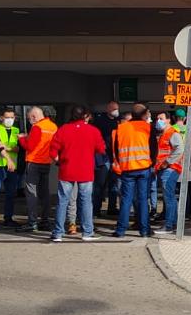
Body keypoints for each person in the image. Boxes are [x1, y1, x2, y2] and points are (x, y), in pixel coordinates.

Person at [50, 104, 105, 243]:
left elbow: (53, 150)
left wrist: (59, 160)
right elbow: (101, 149)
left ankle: (58, 233)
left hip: (67, 170)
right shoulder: (93, 131)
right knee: (86, 201)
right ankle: (87, 232)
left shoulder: (63, 129)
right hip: (86, 171)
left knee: (62, 201)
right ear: (84, 116)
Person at [112, 103, 153, 238]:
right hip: (144, 167)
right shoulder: (148, 128)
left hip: (127, 168)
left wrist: (122, 163)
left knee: (126, 199)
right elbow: (154, 149)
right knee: (142, 199)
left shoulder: (121, 128)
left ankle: (121, 231)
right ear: (144, 114)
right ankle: (145, 230)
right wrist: (150, 163)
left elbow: (116, 149)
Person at [18, 106, 58, 232]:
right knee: (44, 193)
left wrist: (21, 138)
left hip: (34, 162)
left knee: (31, 193)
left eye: (30, 118)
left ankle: (32, 222)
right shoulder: (53, 127)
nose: (30, 120)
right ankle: (45, 221)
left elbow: (29, 146)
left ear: (34, 117)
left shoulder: (37, 127)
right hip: (46, 163)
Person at [153, 110, 184, 236]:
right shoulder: (164, 134)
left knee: (169, 197)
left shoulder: (171, 133)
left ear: (168, 120)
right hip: (166, 168)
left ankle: (169, 225)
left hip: (170, 169)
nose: (158, 121)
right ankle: (172, 222)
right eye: (157, 119)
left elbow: (180, 148)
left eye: (161, 118)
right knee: (170, 197)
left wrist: (167, 162)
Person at [91, 101, 120, 216]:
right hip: (103, 157)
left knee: (114, 185)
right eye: (114, 109)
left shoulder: (119, 121)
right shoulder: (100, 121)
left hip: (115, 157)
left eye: (117, 108)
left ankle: (112, 208)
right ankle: (96, 209)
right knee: (100, 185)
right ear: (108, 109)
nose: (116, 111)